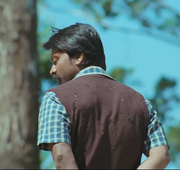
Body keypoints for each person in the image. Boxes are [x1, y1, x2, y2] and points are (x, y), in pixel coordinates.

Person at [37, 23, 170, 169]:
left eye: (55, 61)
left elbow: (61, 156)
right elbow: (161, 155)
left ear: (78, 57)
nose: (52, 70)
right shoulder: (141, 103)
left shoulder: (56, 98)